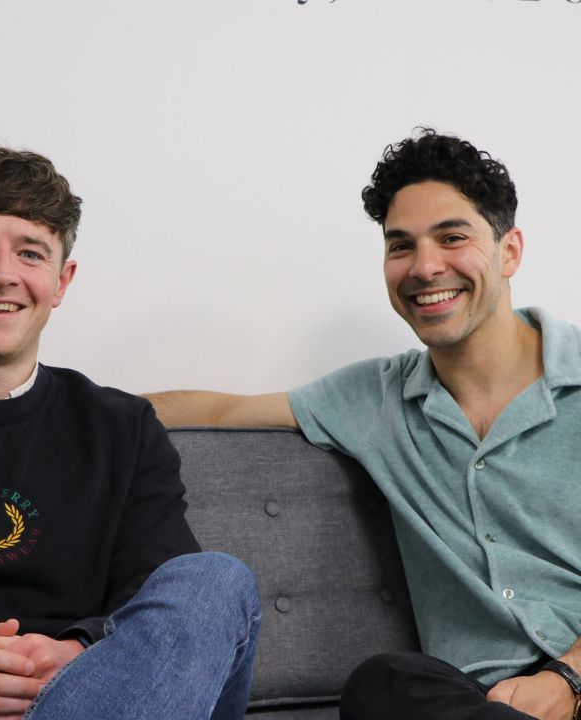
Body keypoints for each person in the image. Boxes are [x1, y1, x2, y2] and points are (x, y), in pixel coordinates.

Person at [146, 128, 581, 720]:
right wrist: (43, 400)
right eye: (401, 246)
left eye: (452, 237)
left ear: (509, 251)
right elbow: (217, 411)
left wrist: (566, 680)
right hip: (470, 704)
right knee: (385, 682)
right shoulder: (373, 399)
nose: (425, 267)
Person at [0, 148, 260, 720]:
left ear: (61, 280)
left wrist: (78, 651)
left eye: (30, 252)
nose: (1, 273)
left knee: (214, 581)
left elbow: (157, 601)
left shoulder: (121, 428)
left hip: (97, 698)